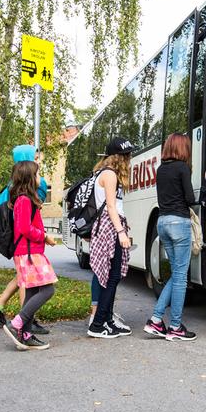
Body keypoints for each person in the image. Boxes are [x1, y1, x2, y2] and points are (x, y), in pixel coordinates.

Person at [0, 145, 49, 336]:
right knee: (28, 281)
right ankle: (25, 320)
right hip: (23, 241)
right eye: (36, 156)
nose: (38, 160)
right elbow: (27, 218)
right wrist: (42, 236)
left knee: (23, 276)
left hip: (11, 236)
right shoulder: (32, 186)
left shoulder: (12, 183)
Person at [145, 133, 198, 342]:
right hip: (179, 223)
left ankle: (156, 320)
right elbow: (189, 198)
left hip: (163, 222)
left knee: (176, 274)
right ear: (182, 149)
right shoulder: (182, 168)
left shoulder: (161, 169)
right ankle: (175, 326)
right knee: (181, 277)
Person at [2, 160, 60, 350]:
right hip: (29, 252)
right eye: (37, 174)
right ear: (29, 178)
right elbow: (24, 228)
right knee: (48, 290)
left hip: (29, 251)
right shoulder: (24, 200)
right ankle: (17, 324)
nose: (40, 178)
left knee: (33, 291)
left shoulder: (24, 199)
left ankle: (25, 334)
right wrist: (44, 237)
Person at [88, 136, 135, 339]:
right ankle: (97, 325)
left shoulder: (104, 172)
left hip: (109, 226)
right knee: (111, 277)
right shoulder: (110, 175)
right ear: (119, 157)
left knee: (111, 277)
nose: (129, 159)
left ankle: (106, 321)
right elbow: (110, 206)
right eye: (127, 155)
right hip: (109, 228)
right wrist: (121, 232)